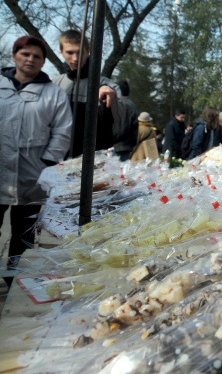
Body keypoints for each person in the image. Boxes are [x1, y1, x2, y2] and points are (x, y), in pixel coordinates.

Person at [0, 36, 72, 285]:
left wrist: (46, 164)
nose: (30, 59)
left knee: (24, 234)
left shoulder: (53, 93)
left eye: (37, 56)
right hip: (0, 171)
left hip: (32, 176)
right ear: (14, 56)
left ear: (43, 62)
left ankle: (13, 281)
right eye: (25, 54)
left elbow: (63, 131)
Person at [52, 29, 127, 158]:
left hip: (94, 160)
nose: (75, 58)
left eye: (80, 52)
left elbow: (120, 125)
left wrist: (111, 100)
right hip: (59, 157)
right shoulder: (54, 85)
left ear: (88, 51)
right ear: (61, 52)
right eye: (70, 53)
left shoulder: (109, 85)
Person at [113, 80, 139, 161]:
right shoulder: (130, 103)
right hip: (126, 146)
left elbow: (122, 127)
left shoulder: (123, 104)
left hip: (120, 147)